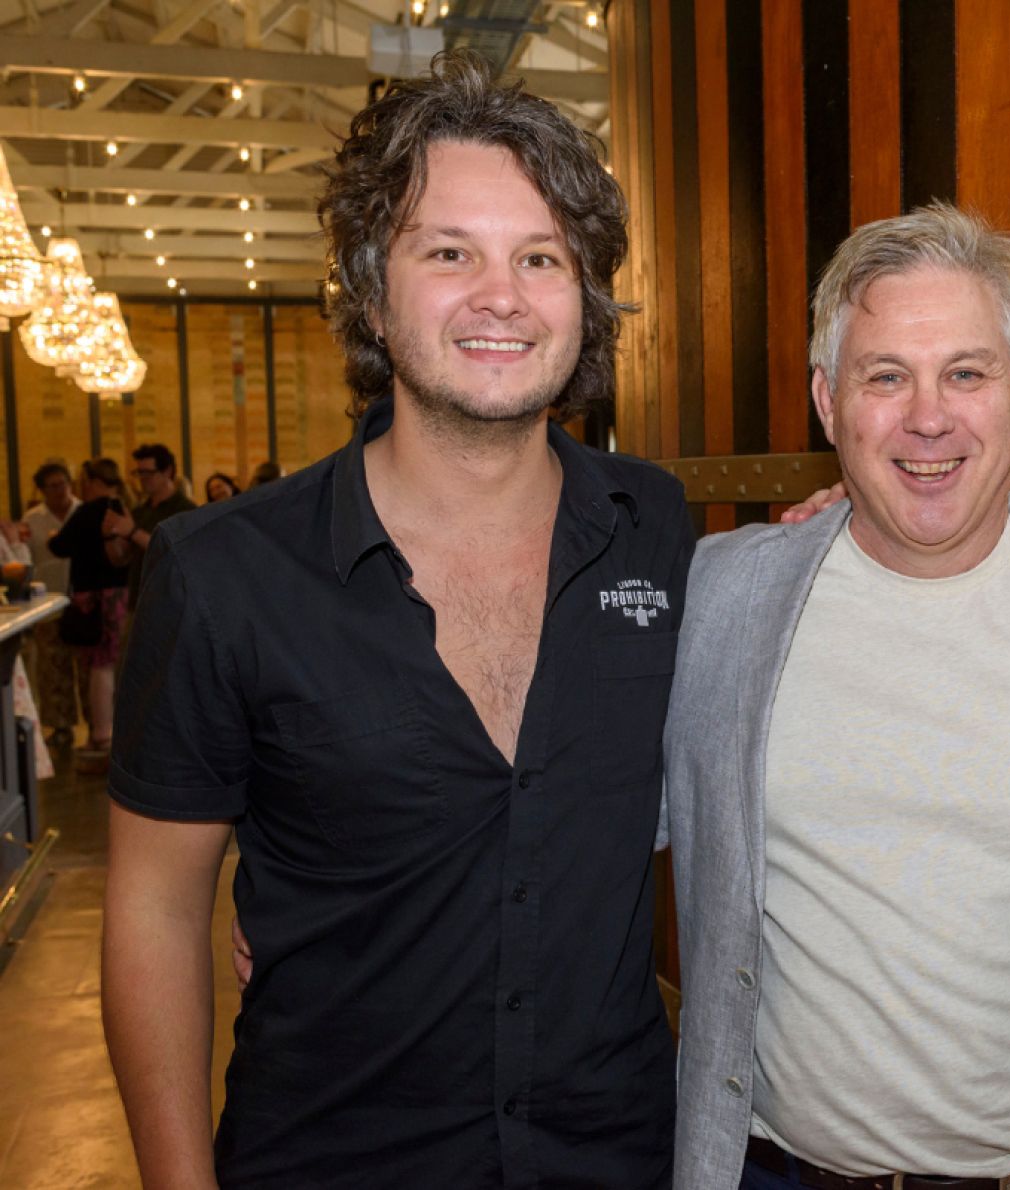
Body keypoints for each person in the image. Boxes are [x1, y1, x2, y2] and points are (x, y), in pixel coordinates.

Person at [102, 50, 688, 1188]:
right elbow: (156, 912)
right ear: (372, 292)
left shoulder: (656, 528)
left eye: (541, 258)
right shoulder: (223, 573)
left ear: (585, 300)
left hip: (616, 1157)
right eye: (449, 252)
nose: (500, 296)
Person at [666, 203, 1010, 1190]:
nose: (928, 416)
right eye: (885, 377)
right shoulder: (722, 595)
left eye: (966, 373)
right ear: (828, 400)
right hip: (779, 1172)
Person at [47, 458, 131, 770]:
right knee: (107, 664)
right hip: (119, 594)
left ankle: (102, 732)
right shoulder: (122, 507)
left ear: (94, 481)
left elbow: (60, 546)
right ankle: (104, 730)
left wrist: (53, 536)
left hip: (93, 598)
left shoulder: (88, 511)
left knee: (100, 666)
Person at [22, 461, 84, 745]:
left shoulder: (82, 512)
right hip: (48, 602)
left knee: (86, 667)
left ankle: (98, 724)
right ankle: (60, 726)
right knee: (52, 668)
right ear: (42, 490)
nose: (60, 490)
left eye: (64, 484)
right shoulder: (33, 519)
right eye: (53, 486)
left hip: (81, 600)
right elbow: (26, 560)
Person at [104, 442, 198, 612]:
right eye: (139, 472)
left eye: (148, 472)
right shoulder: (140, 511)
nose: (142, 478)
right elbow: (120, 559)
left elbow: (174, 551)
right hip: (139, 602)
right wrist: (109, 535)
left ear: (167, 471)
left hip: (171, 603)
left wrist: (133, 532)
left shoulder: (185, 510)